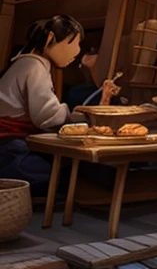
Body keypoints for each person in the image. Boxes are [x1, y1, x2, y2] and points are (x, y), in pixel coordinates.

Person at [0, 16, 118, 195]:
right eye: (73, 44)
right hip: (10, 148)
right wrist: (79, 116)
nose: (77, 51)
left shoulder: (26, 63)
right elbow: (47, 117)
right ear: (50, 39)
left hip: (14, 144)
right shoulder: (34, 66)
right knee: (68, 174)